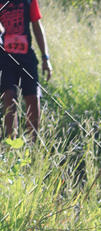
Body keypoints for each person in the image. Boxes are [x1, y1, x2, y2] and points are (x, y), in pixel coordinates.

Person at [0, 0, 51, 141]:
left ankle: (32, 145)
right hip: (5, 59)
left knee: (33, 99)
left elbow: (36, 25)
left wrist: (45, 58)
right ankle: (11, 144)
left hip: (27, 57)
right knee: (9, 97)